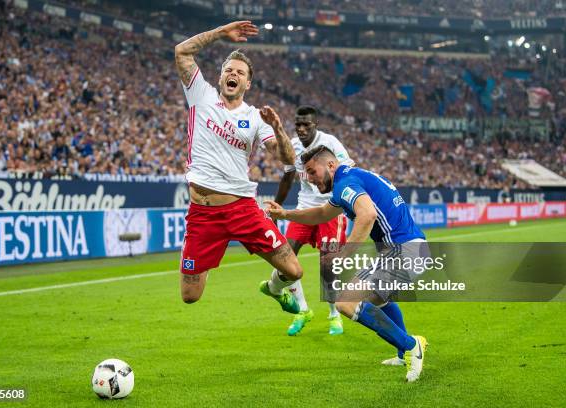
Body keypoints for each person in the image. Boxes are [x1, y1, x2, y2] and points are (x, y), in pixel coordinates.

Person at [267, 146, 429, 382]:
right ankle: (403, 352)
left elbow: (368, 215)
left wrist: (345, 254)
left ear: (331, 165)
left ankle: (413, 345)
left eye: (313, 172)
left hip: (405, 252)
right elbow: (322, 214)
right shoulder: (351, 179)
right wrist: (286, 215)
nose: (310, 179)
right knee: (379, 300)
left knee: (345, 302)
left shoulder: (345, 184)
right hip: (412, 250)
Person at [174, 20, 304, 314]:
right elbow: (182, 52)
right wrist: (220, 34)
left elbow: (285, 159)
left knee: (294, 271)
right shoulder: (200, 96)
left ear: (248, 84)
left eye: (240, 73)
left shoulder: (256, 117)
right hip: (203, 214)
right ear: (220, 78)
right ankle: (201, 256)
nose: (233, 74)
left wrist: (280, 129)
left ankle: (274, 290)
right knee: (189, 296)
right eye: (228, 70)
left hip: (242, 208)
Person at [272, 105, 354, 336]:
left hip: (329, 209)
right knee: (285, 261)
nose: (300, 129)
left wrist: (347, 202)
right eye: (297, 124)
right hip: (304, 208)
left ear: (315, 125)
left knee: (328, 267)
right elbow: (287, 177)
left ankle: (334, 314)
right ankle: (303, 309)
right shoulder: (293, 145)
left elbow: (349, 170)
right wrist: (277, 208)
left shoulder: (331, 143)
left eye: (305, 124)